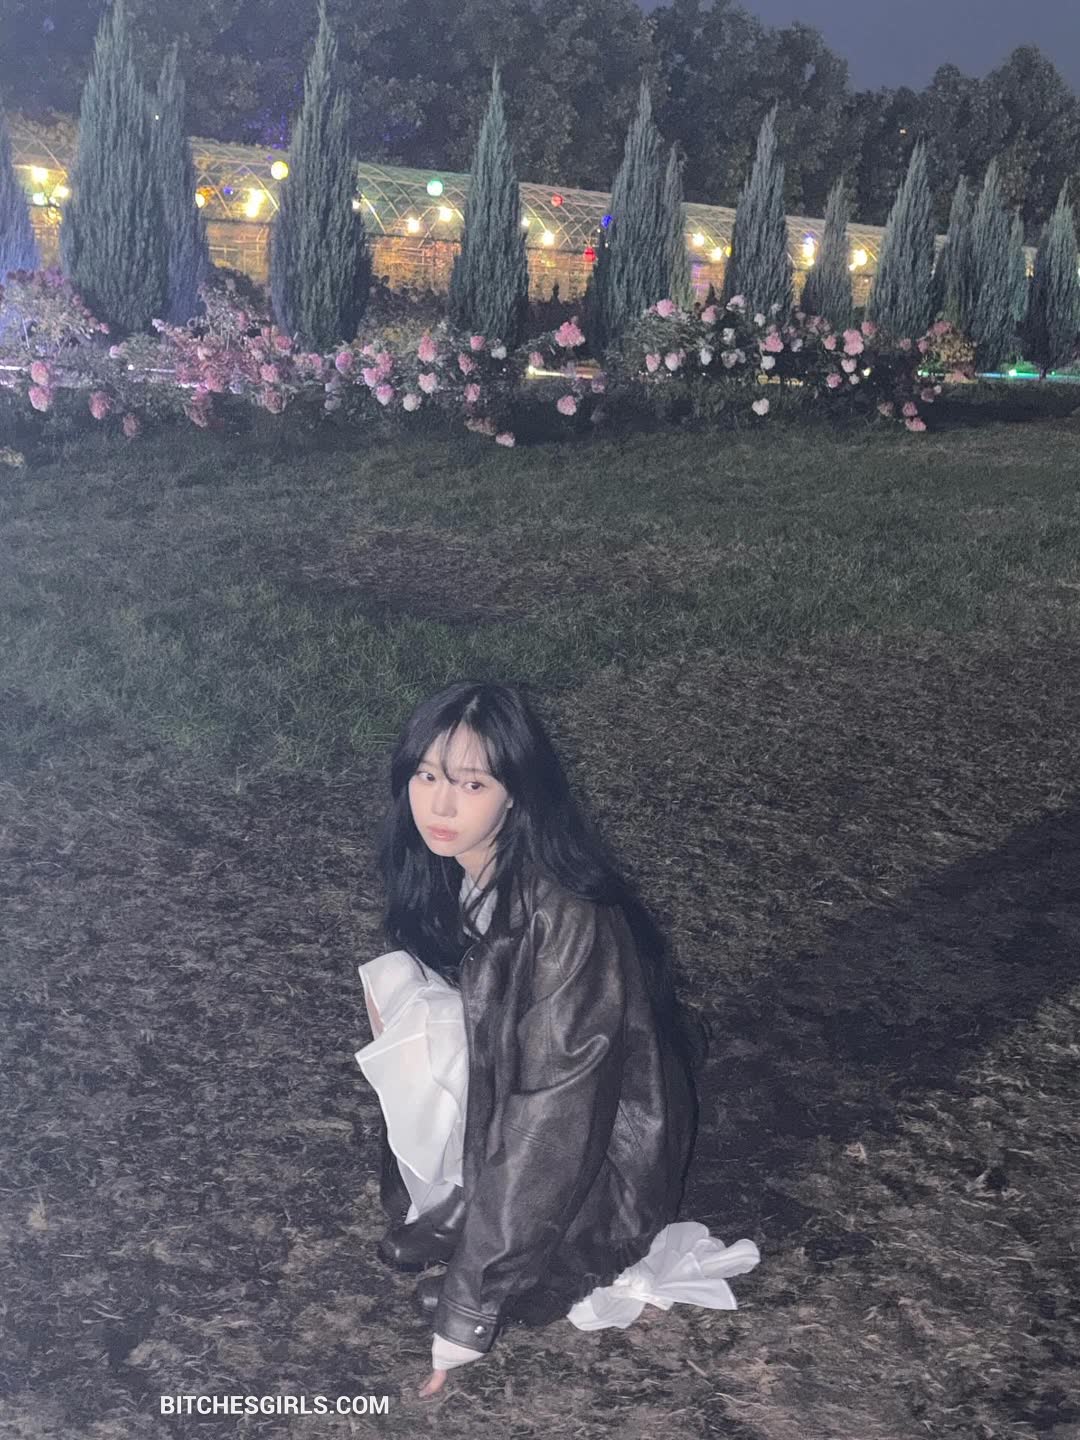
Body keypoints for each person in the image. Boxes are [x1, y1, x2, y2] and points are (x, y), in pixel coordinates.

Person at [354, 681, 759, 1397]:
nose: (440, 807)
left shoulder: (564, 913)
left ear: (515, 794)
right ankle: (460, 1197)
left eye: (471, 784)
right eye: (427, 776)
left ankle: (501, 1237)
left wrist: (473, 1302)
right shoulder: (457, 868)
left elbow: (555, 1113)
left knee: (442, 1030)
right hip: (525, 1108)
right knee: (396, 984)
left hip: (599, 1164)